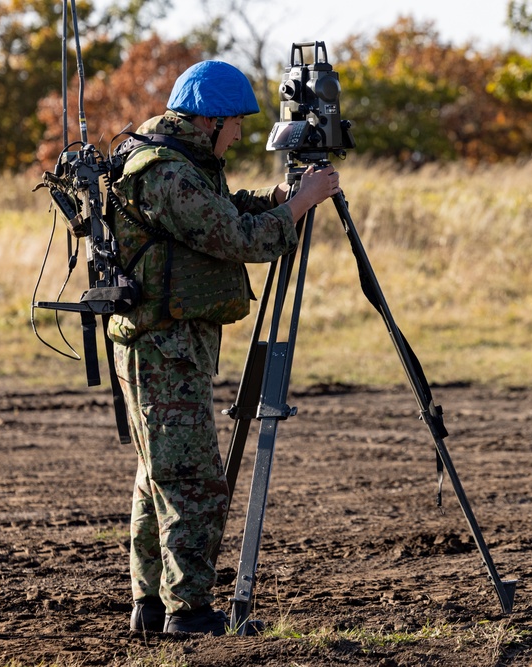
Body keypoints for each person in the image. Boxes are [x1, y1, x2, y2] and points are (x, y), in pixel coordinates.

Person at [106, 60, 340, 636]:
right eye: (236, 125)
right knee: (190, 478)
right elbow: (235, 238)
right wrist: (301, 204)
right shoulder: (165, 173)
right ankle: (189, 611)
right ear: (211, 121)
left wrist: (278, 198)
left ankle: (152, 605)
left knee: (159, 475)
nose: (239, 137)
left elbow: (224, 212)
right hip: (163, 347)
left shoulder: (184, 162)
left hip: (171, 342)